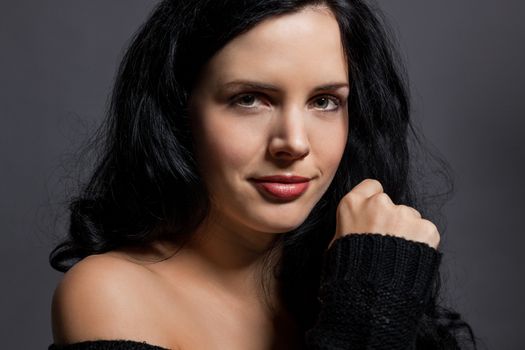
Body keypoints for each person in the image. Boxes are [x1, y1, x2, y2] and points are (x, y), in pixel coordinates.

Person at [48, 0, 478, 349]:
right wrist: (371, 304)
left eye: (325, 101)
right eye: (250, 99)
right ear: (178, 113)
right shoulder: (111, 293)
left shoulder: (337, 271)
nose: (293, 142)